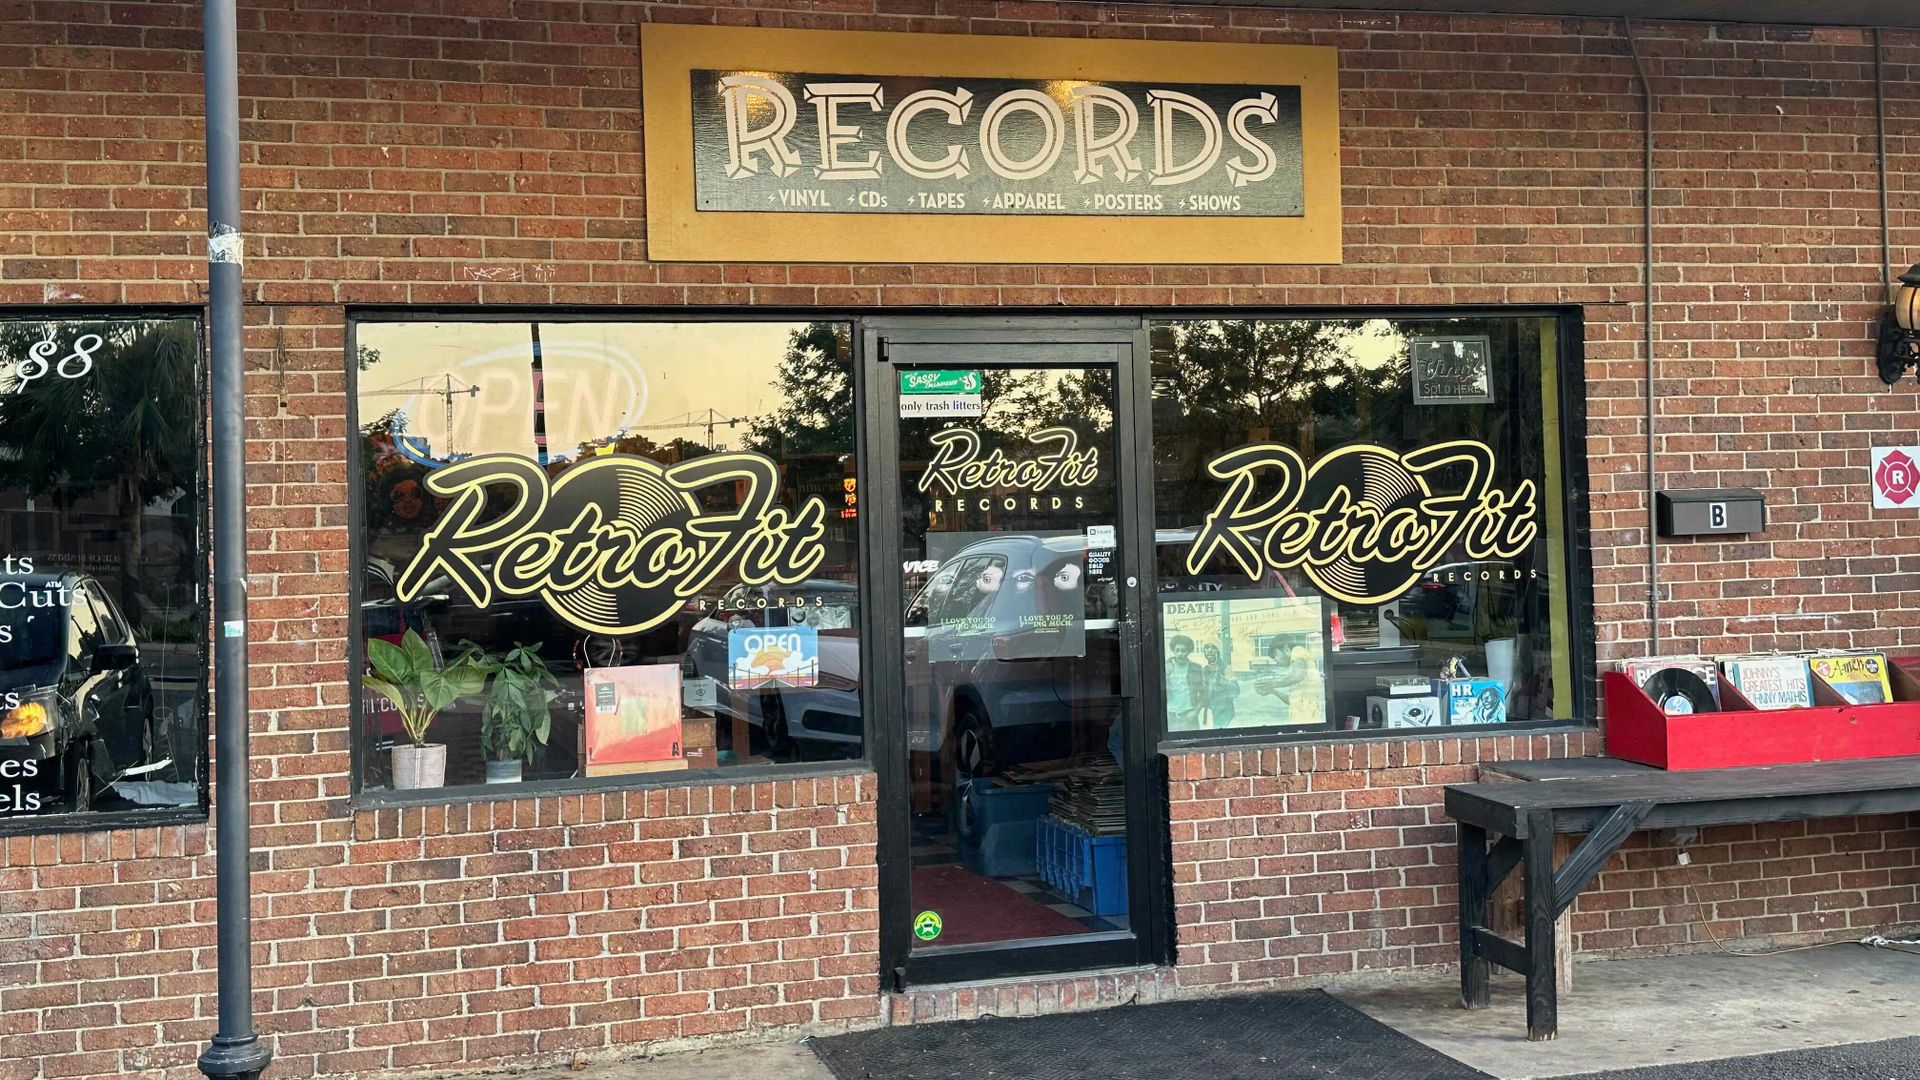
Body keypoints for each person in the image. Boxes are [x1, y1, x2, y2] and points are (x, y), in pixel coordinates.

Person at [1164, 634, 1205, 730]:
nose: (1180, 653)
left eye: (1183, 651)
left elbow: (1204, 693)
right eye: (1177, 650)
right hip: (1170, 717)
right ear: (1173, 651)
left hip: (1189, 717)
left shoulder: (1196, 668)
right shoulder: (1165, 668)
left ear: (1188, 651)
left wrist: (1196, 712)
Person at [1200, 642, 1239, 729]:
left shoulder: (1226, 668)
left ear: (1218, 651)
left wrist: (1224, 682)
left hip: (1224, 713)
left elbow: (1236, 692)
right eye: (1207, 647)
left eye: (1213, 647)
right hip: (1210, 712)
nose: (1209, 650)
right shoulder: (1205, 669)